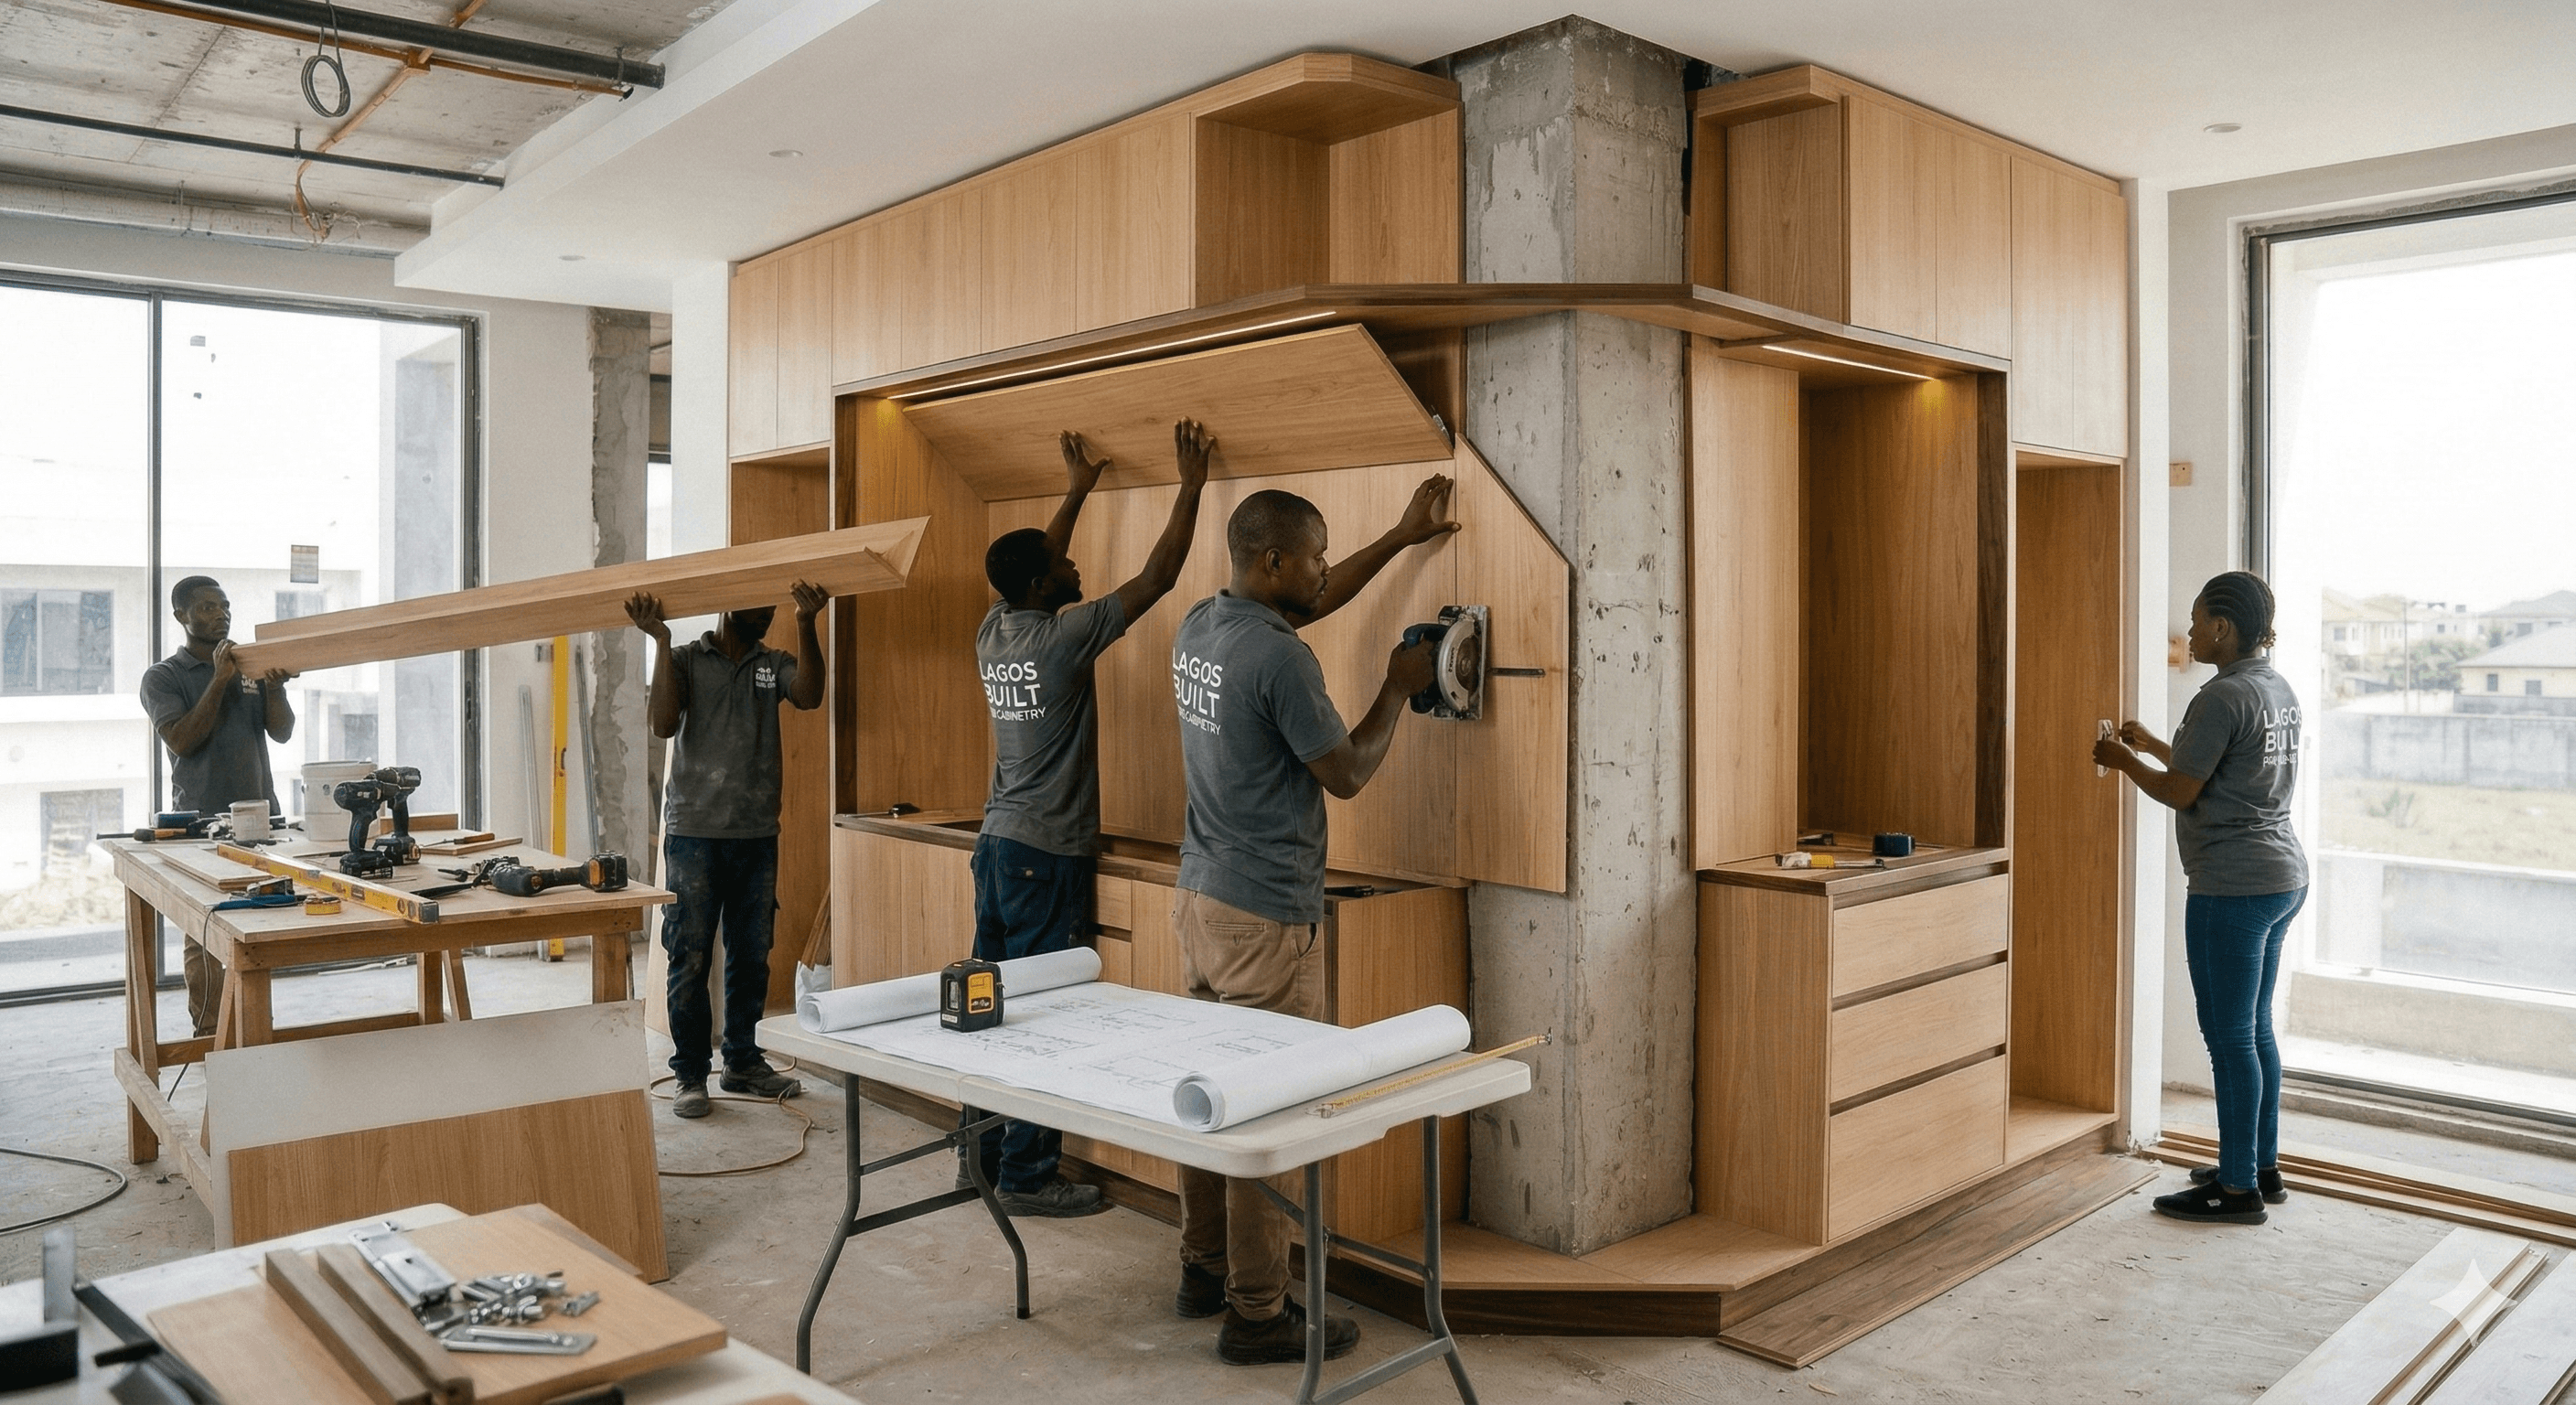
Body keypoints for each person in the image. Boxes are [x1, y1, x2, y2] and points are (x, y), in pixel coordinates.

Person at [1167, 477, 1454, 1365]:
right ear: (1273, 560)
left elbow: (1312, 606)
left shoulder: (1205, 626)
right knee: (1266, 1117)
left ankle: (1202, 1266)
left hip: (1201, 901)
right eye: (1317, 556)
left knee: (1209, 1101)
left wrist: (1401, 539)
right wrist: (1398, 688)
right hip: (1264, 916)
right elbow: (1345, 771)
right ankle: (1257, 1315)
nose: (1327, 571)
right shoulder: (1282, 660)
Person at [957, 420, 1216, 1217]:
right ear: (1045, 587)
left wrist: (1076, 491)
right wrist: (1193, 482)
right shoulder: (1063, 641)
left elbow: (1037, 562)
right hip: (1045, 856)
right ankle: (1030, 1178)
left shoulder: (995, 629)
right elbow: (1161, 575)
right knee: (1042, 1016)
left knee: (988, 1008)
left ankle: (981, 1158)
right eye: (1066, 566)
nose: (1077, 566)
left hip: (998, 849)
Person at [2095, 570, 2307, 1226]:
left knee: (2229, 1040)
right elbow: (2217, 768)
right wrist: (2154, 744)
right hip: (2281, 876)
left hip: (2233, 887)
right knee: (2255, 1031)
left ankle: (2237, 1191)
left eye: (2195, 622)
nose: (2188, 634)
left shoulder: (2220, 697)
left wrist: (2119, 759)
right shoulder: (2273, 687)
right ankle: (2260, 1166)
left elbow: (2183, 792)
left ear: (2222, 627)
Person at [626, 579, 830, 1119]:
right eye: (754, 605)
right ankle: (691, 1074)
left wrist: (806, 623)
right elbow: (662, 723)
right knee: (689, 954)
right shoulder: (690, 659)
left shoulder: (773, 663)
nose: (763, 615)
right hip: (694, 832)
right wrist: (660, 643)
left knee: (751, 953)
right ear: (727, 599)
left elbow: (809, 695)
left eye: (770, 609)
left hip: (757, 833)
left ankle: (741, 1060)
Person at [140, 575, 294, 1038]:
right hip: (201, 823)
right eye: (207, 607)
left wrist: (273, 687)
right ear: (180, 616)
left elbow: (282, 732)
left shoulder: (248, 667)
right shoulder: (163, 677)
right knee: (206, 930)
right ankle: (213, 1037)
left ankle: (255, 1031)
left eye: (224, 606)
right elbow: (183, 740)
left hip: (261, 819)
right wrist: (220, 677)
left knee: (260, 928)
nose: (221, 614)